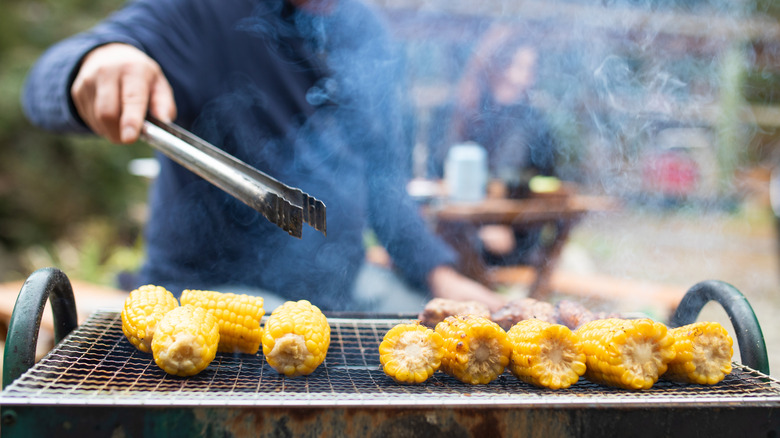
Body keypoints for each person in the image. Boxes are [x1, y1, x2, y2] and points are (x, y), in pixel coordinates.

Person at [22, 0, 506, 312]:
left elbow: (385, 185)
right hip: (212, 289)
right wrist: (97, 63)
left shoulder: (368, 31)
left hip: (343, 289)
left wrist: (443, 277)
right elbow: (46, 82)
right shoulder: (202, 11)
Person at [429, 25, 561, 266]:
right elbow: (434, 175)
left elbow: (547, 190)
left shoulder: (533, 125)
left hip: (510, 238)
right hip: (453, 229)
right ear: (492, 66)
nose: (521, 78)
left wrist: (511, 227)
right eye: (515, 66)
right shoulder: (454, 115)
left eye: (530, 70)